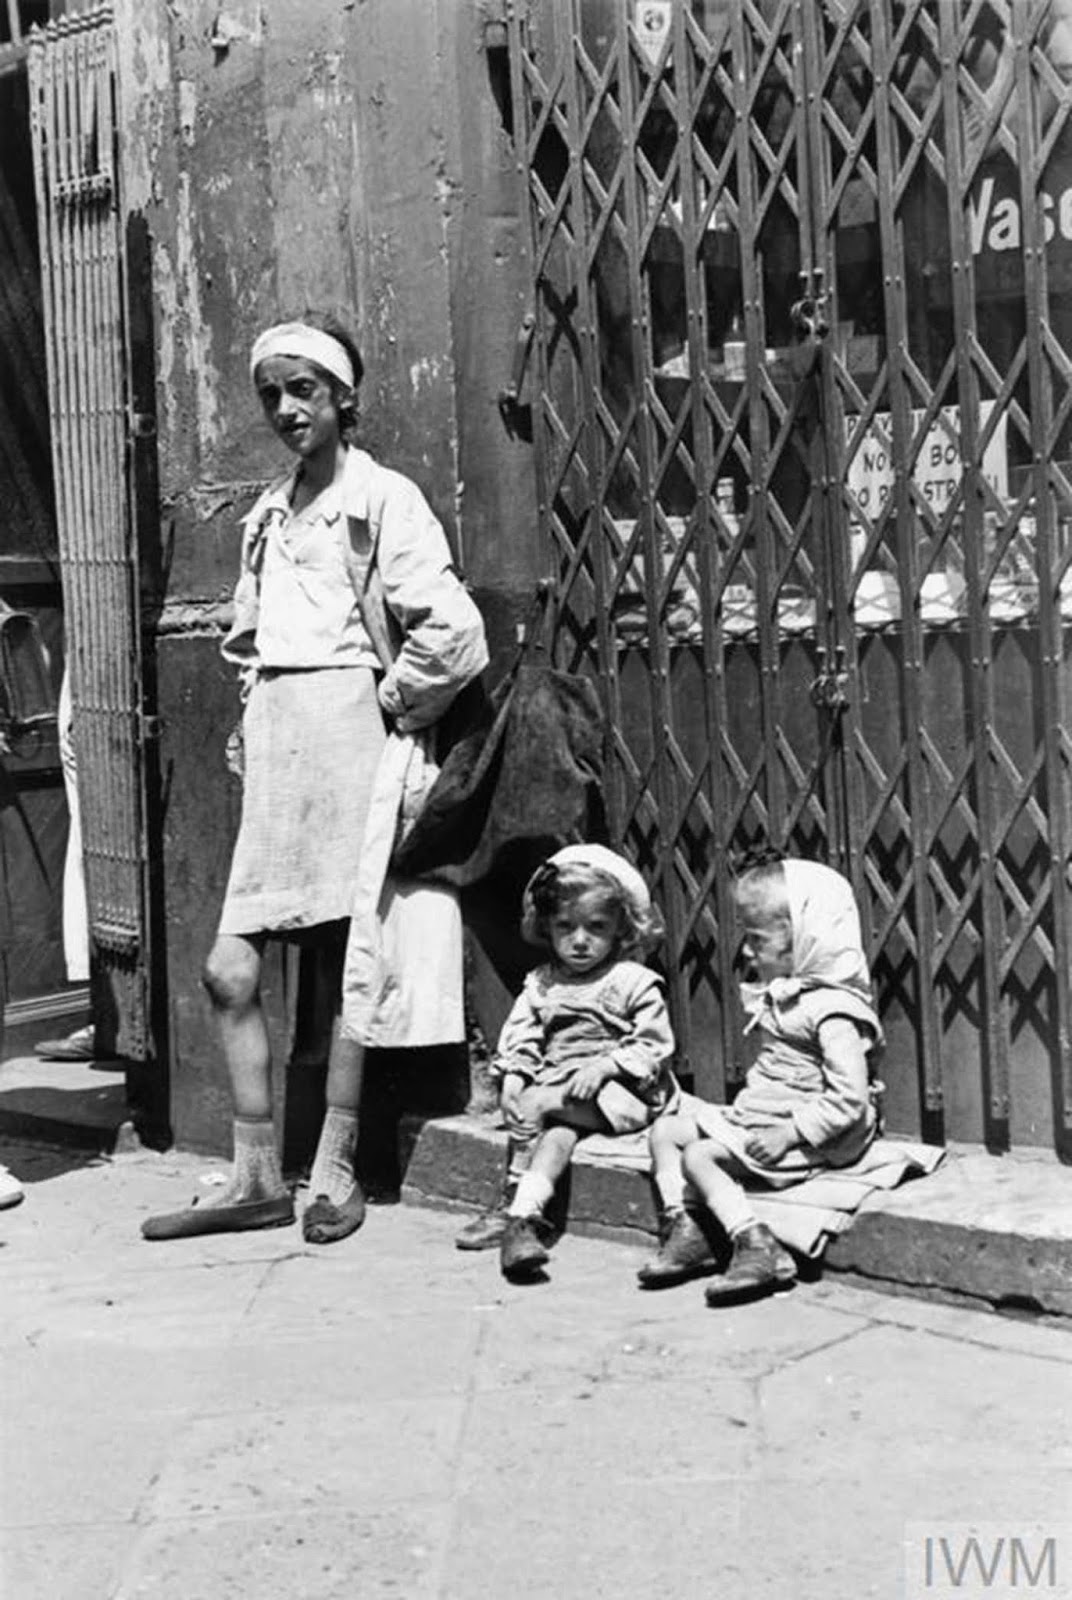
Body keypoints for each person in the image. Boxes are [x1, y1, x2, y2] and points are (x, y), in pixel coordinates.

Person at [142, 313, 487, 1244]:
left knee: (347, 966)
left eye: (305, 389)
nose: (287, 409)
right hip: (278, 742)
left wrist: (393, 703)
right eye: (271, 394)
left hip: (349, 732)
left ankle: (334, 1167)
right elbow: (250, 637)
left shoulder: (382, 502)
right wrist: (256, 724)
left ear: (343, 396)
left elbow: (454, 633)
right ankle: (257, 1176)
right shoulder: (270, 512)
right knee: (229, 971)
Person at [637, 849, 883, 1305]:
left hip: (813, 1133)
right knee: (665, 1131)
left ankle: (755, 1242)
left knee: (701, 1157)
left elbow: (851, 1099)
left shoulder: (834, 1012)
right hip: (764, 1113)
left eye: (756, 939)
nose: (747, 951)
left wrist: (790, 1132)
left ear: (804, 939)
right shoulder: (786, 996)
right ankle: (687, 1228)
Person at [471, 842, 679, 1282]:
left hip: (619, 1096)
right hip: (566, 1098)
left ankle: (509, 1200)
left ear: (621, 929)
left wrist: (604, 1067)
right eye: (565, 926)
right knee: (555, 1139)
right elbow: (523, 1032)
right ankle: (523, 1222)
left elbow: (654, 1043)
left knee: (538, 1106)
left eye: (596, 927)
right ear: (547, 927)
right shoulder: (543, 982)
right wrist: (513, 1075)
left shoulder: (631, 981)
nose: (579, 940)